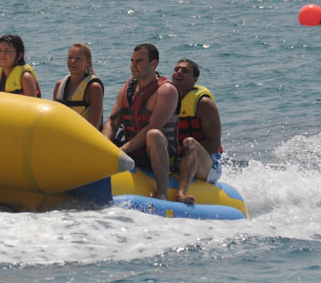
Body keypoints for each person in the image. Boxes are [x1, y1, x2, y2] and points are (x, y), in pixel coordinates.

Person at [103, 43, 178, 200]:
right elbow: (112, 122)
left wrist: (122, 150)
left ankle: (162, 193)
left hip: (157, 154)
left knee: (154, 134)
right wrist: (103, 147)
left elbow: (153, 126)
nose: (133, 66)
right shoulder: (127, 88)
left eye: (139, 61)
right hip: (132, 151)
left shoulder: (166, 91)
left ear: (153, 63)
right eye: (132, 61)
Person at [171, 58, 223, 204]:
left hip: (208, 165)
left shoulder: (203, 103)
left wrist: (182, 150)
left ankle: (182, 193)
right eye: (176, 69)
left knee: (190, 143)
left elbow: (214, 145)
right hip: (179, 157)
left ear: (195, 79)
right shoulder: (167, 98)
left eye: (185, 71)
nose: (179, 72)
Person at [53, 43, 104, 130]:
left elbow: (94, 127)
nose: (73, 61)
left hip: (84, 137)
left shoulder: (94, 88)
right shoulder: (59, 85)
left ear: (87, 62)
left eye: (78, 58)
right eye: (70, 57)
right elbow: (53, 118)